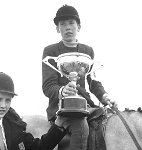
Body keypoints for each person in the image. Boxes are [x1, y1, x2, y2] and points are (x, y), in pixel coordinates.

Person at [42, 4, 117, 150]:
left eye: (71, 23)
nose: (68, 27)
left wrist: (105, 97)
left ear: (79, 27)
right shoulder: (50, 51)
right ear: (58, 29)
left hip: (86, 106)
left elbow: (93, 82)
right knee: (81, 127)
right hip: (60, 108)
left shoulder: (88, 51)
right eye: (62, 24)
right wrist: (63, 91)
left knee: (109, 122)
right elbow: (48, 86)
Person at [0, 72, 69, 150]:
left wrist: (59, 124)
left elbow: (39, 147)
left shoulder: (14, 125)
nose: (3, 105)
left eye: (8, 100)